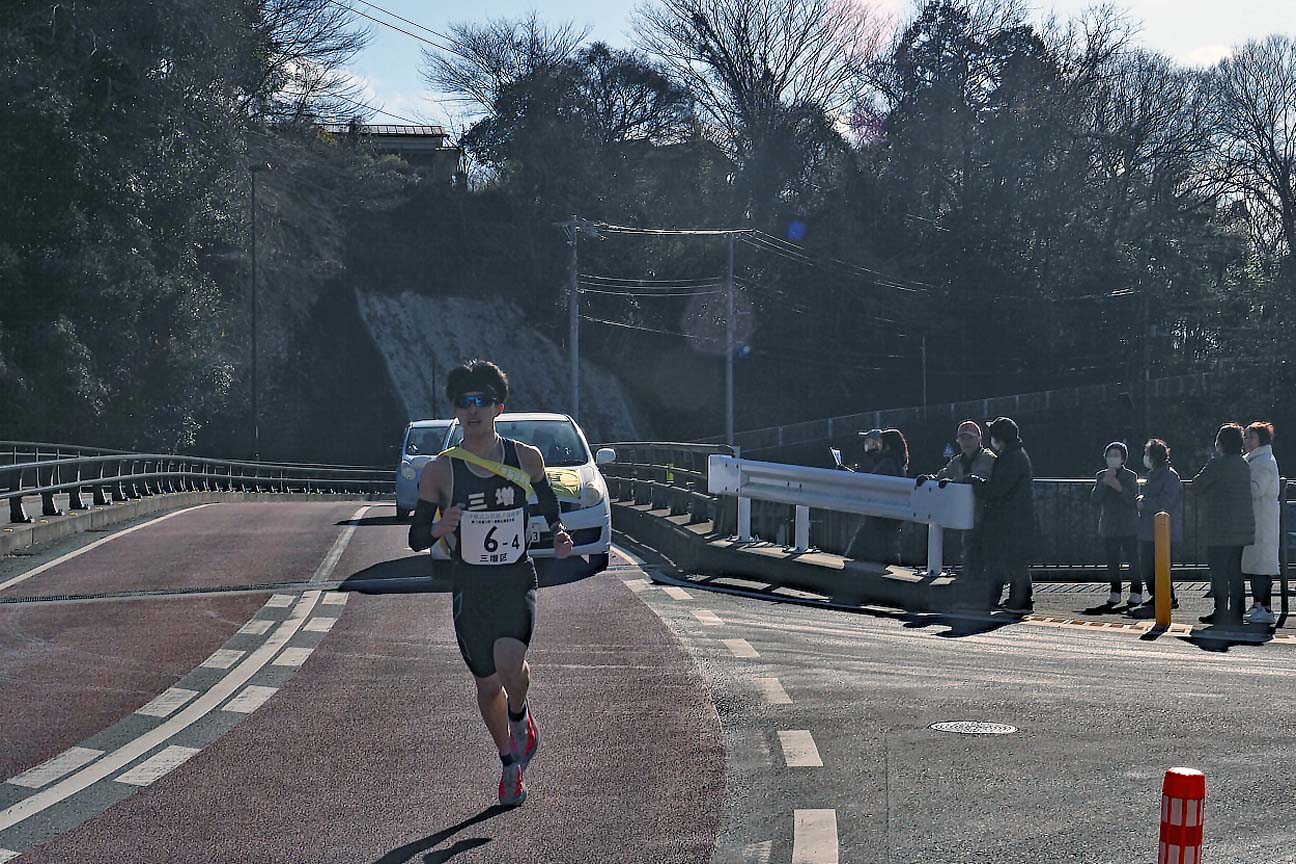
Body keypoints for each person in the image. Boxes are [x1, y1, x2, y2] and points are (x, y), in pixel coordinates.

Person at [409, 360, 574, 807]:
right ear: (456, 411)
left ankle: (521, 718)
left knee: (509, 665)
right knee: (486, 686)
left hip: (514, 579)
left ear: (499, 406)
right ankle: (509, 765)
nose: (474, 410)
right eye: (465, 402)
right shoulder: (440, 471)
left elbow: (547, 499)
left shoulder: (526, 458)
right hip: (470, 588)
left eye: (482, 401)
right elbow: (415, 536)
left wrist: (557, 530)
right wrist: (442, 529)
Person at [918, 421, 995, 598]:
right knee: (969, 551)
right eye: (963, 438)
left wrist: (954, 483)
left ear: (979, 440)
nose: (966, 441)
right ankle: (972, 592)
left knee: (985, 554)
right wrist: (928, 479)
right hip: (967, 515)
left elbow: (981, 476)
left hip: (987, 514)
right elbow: (942, 475)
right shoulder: (958, 461)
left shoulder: (987, 457)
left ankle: (985, 593)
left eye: (970, 437)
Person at [1190, 423, 1255, 628]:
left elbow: (1197, 486)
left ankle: (1220, 611)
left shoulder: (1217, 465)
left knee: (1218, 571)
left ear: (1221, 443)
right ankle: (1237, 611)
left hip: (1219, 526)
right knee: (1235, 571)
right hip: (1241, 526)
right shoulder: (1243, 465)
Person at [969, 417, 1035, 613]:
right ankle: (1020, 598)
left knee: (1014, 560)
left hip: (1010, 518)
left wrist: (976, 483)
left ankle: (1021, 601)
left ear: (1000, 437)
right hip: (1015, 517)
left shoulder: (1011, 458)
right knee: (1015, 559)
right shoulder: (1015, 455)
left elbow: (997, 489)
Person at [844, 429, 908, 564]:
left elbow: (870, 484)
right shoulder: (898, 463)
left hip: (878, 515)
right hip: (890, 516)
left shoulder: (887, 463)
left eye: (881, 443)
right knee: (888, 549)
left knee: (857, 551)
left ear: (888, 445)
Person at [1091, 442, 1141, 606]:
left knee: (1133, 559)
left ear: (1123, 458)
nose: (1112, 458)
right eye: (1110, 455)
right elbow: (1095, 499)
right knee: (1112, 561)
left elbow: (1132, 499)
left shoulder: (1130, 476)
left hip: (1128, 525)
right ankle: (1115, 591)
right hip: (1109, 525)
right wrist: (1104, 483)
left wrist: (1117, 486)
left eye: (1116, 455)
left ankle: (1136, 592)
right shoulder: (1101, 476)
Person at [1242, 422, 1280, 625]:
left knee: (1261, 566)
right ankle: (1258, 605)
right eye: (1246, 437)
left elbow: (1257, 488)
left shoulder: (1263, 461)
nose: (1247, 441)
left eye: (1251, 437)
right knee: (1256, 565)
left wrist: (1240, 482)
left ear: (1261, 440)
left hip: (1262, 520)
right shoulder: (1256, 459)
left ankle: (1263, 607)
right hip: (1258, 519)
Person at [1136, 439, 1182, 609]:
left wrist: (1144, 503)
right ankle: (1161, 596)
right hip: (1149, 528)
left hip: (1162, 529)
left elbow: (1166, 501)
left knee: (1159, 566)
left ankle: (1165, 597)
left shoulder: (1169, 475)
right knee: (1149, 565)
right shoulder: (1155, 473)